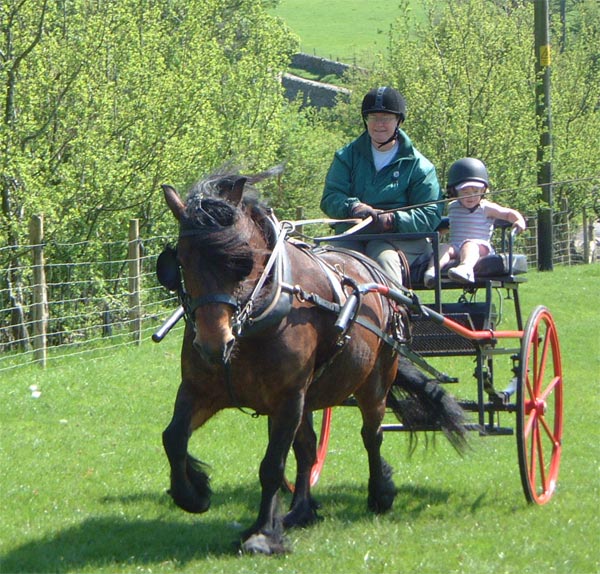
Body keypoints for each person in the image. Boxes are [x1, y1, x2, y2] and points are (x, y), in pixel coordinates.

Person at [320, 86, 443, 286]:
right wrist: (353, 207)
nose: (379, 124)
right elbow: (331, 197)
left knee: (383, 258)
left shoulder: (420, 166)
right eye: (373, 118)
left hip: (400, 240)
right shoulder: (346, 157)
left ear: (398, 121)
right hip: (353, 235)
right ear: (365, 121)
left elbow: (429, 215)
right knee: (330, 258)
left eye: (386, 118)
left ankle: (395, 313)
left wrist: (391, 220)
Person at [422, 157, 527, 287]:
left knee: (469, 244)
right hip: (456, 246)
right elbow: (452, 224)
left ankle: (466, 269)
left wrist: (518, 220)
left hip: (480, 247)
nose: (470, 197)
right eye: (465, 192)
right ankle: (432, 272)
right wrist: (434, 234)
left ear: (483, 191)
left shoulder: (486, 207)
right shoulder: (453, 206)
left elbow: (507, 213)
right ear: (455, 191)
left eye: (475, 192)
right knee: (443, 247)